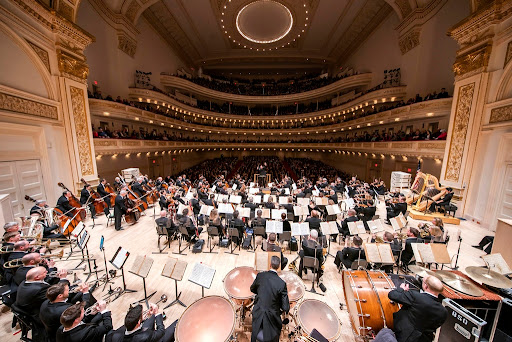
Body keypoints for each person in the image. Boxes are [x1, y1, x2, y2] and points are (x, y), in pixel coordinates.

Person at [388, 276, 447, 342]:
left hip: (404, 336)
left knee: (385, 333)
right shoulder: (443, 311)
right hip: (424, 339)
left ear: (426, 286)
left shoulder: (416, 296)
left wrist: (402, 289)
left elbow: (392, 295)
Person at [250, 255, 290, 342]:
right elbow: (285, 307)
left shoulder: (260, 276)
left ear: (270, 265)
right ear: (279, 266)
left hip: (258, 313)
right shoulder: (281, 284)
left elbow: (252, 289)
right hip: (272, 318)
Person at [106, 303, 176, 342]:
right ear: (139, 322)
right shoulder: (146, 336)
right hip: (152, 339)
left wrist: (149, 316)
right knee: (176, 324)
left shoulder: (115, 336)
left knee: (151, 318)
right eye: (142, 315)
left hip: (140, 334)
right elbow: (161, 331)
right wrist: (157, 313)